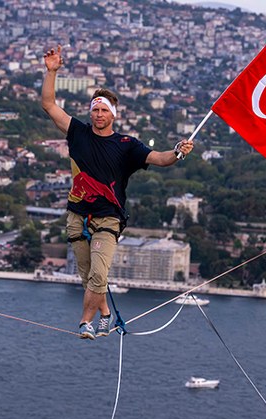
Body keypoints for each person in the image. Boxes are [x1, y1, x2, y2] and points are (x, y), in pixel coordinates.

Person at [41, 44, 194, 340]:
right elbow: (49, 105)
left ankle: (85, 322)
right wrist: (51, 72)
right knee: (88, 277)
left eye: (103, 110)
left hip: (109, 219)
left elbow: (160, 159)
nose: (98, 114)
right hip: (77, 215)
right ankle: (106, 314)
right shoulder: (77, 132)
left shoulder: (127, 145)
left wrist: (178, 152)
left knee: (98, 274)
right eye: (94, 110)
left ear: (113, 114)